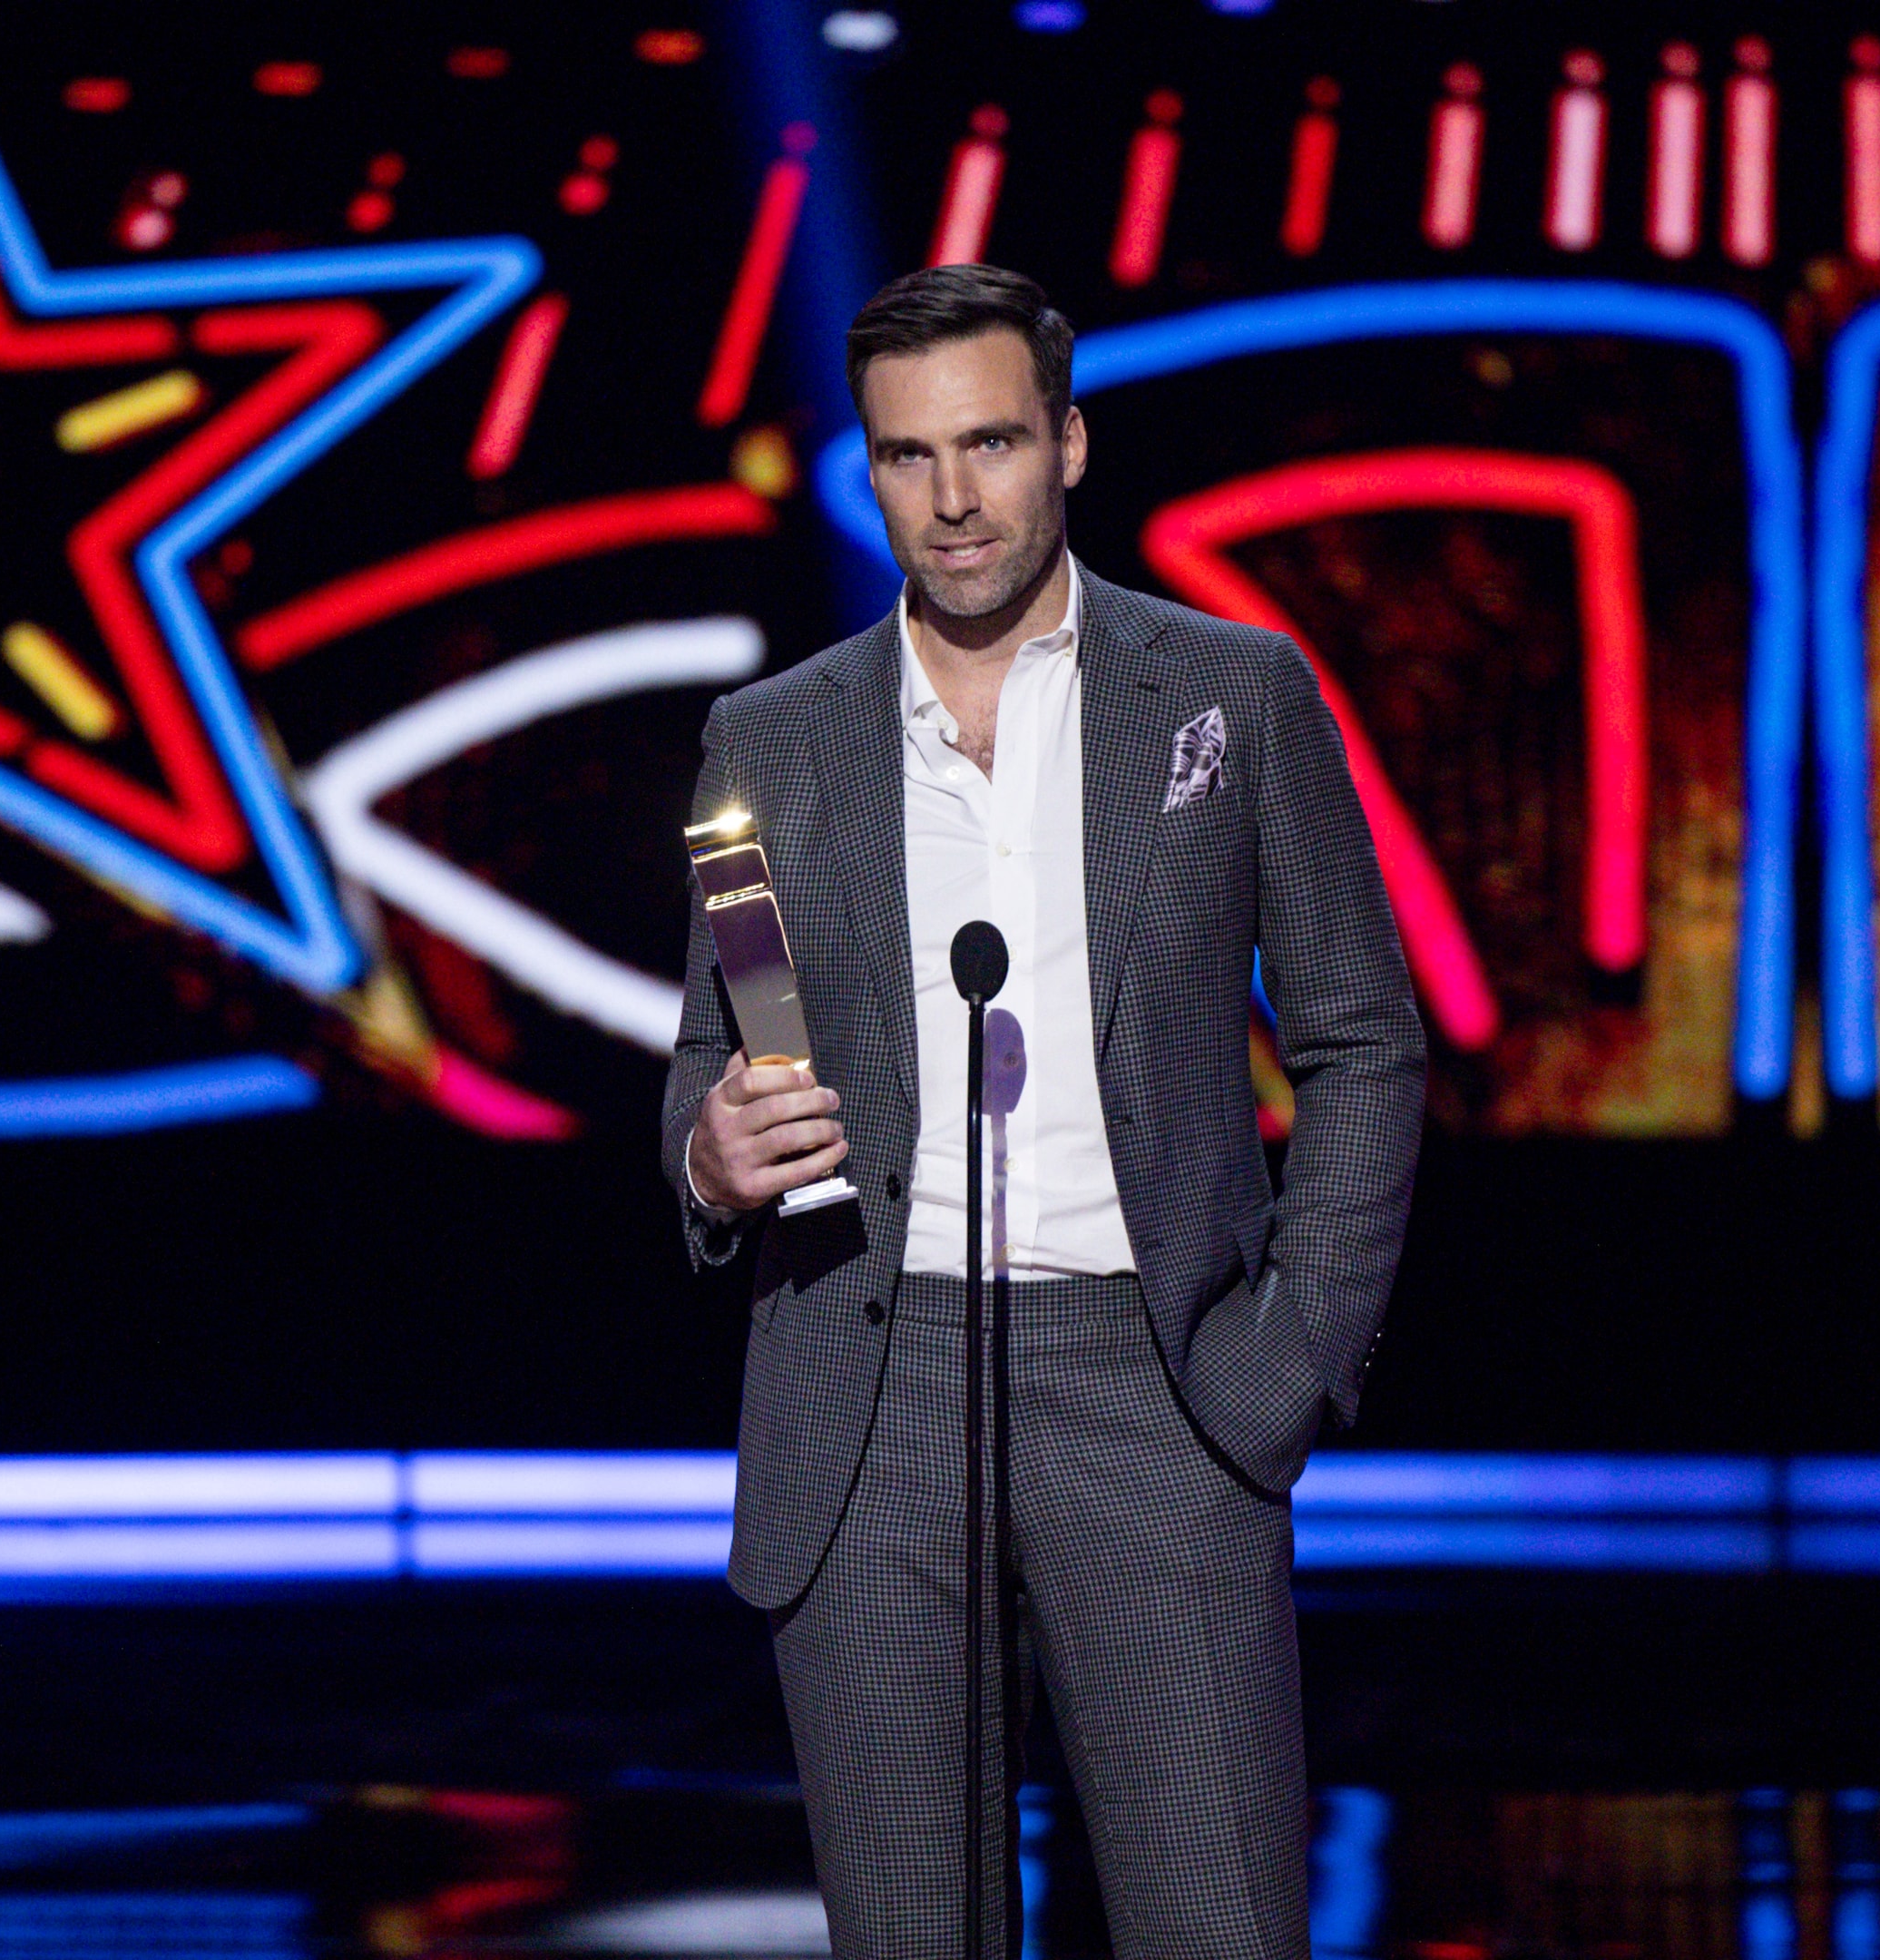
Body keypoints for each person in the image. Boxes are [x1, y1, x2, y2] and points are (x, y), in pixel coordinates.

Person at [661, 264, 1425, 1960]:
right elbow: (726, 1054)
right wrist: (709, 1160)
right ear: (869, 472)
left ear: (1068, 444)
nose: (953, 497)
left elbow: (1365, 1040)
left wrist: (1283, 1367)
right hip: (869, 1398)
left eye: (992, 442)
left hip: (1154, 1393)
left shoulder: (1229, 695)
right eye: (908, 456)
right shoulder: (766, 744)